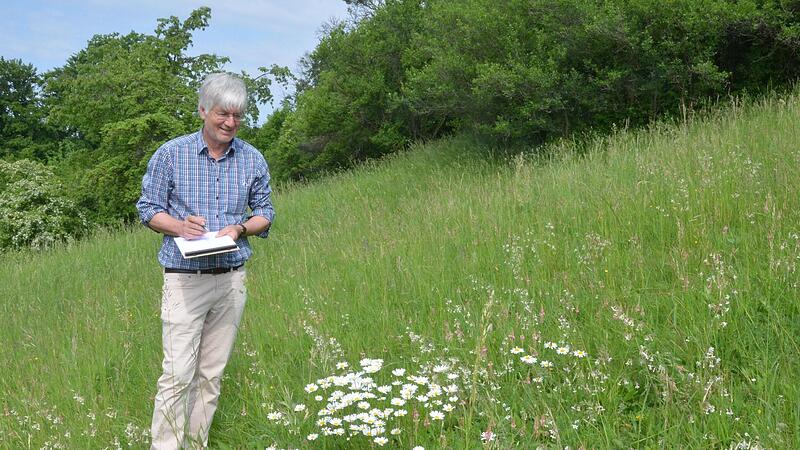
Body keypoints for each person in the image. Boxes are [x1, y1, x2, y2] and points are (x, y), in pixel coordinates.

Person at [136, 72, 274, 449]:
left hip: (230, 280)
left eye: (237, 115)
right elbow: (148, 209)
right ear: (203, 111)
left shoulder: (252, 158)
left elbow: (266, 213)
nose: (230, 122)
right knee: (177, 375)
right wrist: (180, 226)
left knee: (210, 376)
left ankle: (196, 445)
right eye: (222, 114)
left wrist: (240, 229)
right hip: (184, 280)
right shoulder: (171, 154)